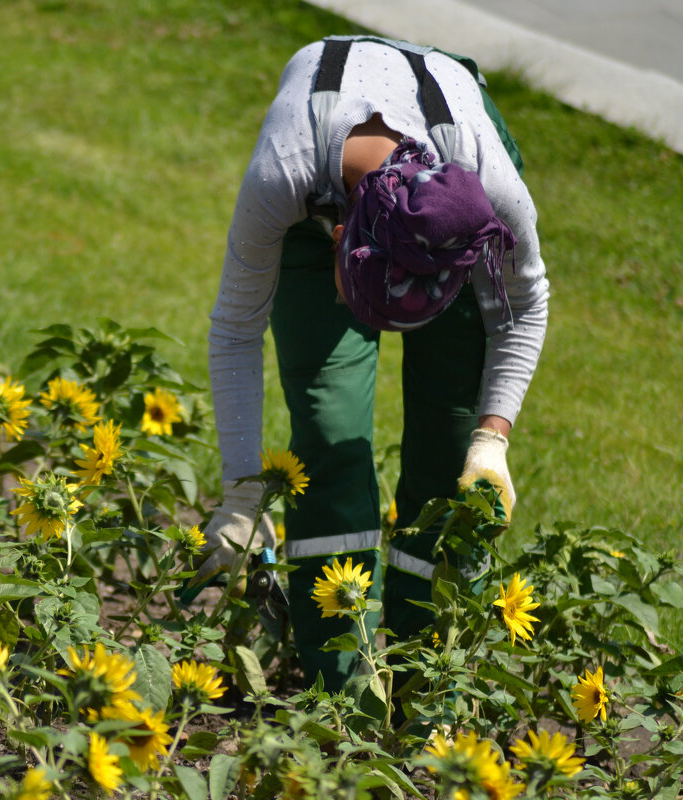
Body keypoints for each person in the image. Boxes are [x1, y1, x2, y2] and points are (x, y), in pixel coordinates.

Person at [197, 36, 548, 691]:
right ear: (339, 243)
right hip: (324, 186)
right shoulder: (285, 171)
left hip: (450, 192)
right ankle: (342, 693)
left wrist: (491, 437)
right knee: (328, 431)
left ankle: (423, 685)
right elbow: (235, 329)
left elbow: (524, 308)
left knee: (451, 456)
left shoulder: (488, 191)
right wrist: (243, 486)